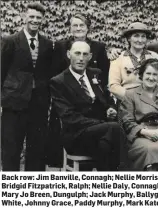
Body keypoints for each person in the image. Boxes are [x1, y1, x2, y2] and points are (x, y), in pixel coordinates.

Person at [48, 12, 111, 169]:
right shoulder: (61, 46)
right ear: (69, 54)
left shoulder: (98, 48)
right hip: (70, 104)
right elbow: (55, 73)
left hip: (94, 111)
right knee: (113, 133)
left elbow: (104, 83)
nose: (78, 28)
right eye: (74, 25)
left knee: (109, 140)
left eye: (81, 25)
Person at [50, 41, 125, 171]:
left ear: (90, 57)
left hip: (102, 133)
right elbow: (69, 117)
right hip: (76, 135)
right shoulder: (58, 82)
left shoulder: (95, 74)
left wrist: (110, 108)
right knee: (115, 129)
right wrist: (100, 123)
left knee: (105, 145)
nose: (81, 58)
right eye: (77, 53)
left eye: (85, 54)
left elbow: (108, 98)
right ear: (69, 54)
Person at [1, 2, 54, 171]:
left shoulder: (47, 43)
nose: (35, 20)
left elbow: (47, 73)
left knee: (37, 149)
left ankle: (33, 189)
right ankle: (10, 188)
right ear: (24, 17)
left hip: (38, 105)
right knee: (11, 149)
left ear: (43, 20)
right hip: (13, 104)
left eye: (38, 17)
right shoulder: (10, 41)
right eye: (31, 16)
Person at [119, 58, 158, 171]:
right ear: (141, 75)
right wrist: (145, 132)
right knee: (150, 148)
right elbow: (127, 120)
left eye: (155, 74)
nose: (151, 77)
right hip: (140, 133)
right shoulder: (130, 94)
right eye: (148, 73)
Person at [109, 22, 158, 102]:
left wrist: (151, 97)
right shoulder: (118, 58)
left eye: (143, 37)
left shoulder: (154, 56)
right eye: (136, 36)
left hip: (151, 101)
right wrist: (135, 99)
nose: (140, 40)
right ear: (129, 38)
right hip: (127, 102)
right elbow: (114, 86)